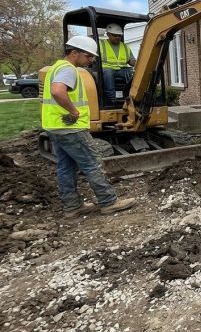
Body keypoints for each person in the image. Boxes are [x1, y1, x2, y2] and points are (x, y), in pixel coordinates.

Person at [42, 35, 136, 218]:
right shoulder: (68, 69)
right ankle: (109, 202)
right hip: (71, 128)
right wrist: (74, 111)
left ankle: (72, 206)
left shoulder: (56, 67)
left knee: (65, 166)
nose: (91, 60)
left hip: (55, 127)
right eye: (88, 56)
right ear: (74, 53)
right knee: (92, 163)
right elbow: (57, 91)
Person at [100, 23, 136, 103]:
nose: (117, 37)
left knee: (132, 73)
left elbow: (131, 60)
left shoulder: (125, 47)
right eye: (115, 35)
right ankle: (112, 98)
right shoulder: (101, 45)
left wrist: (137, 63)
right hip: (106, 69)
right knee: (108, 72)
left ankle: (131, 95)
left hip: (122, 70)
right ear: (108, 34)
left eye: (119, 36)